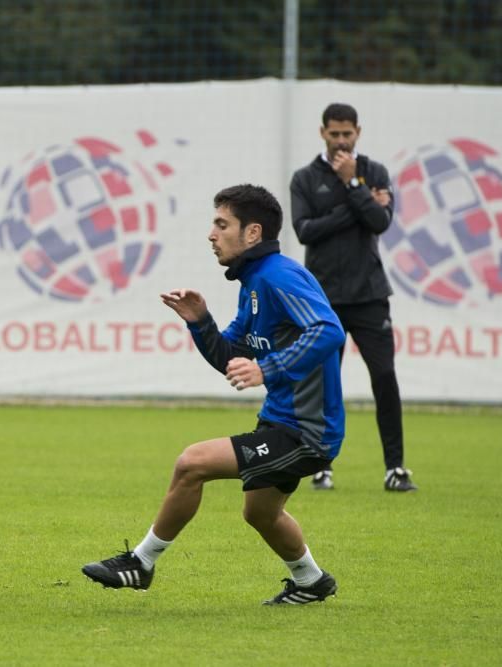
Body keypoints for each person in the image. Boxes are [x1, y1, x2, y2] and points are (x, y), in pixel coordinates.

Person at [82, 184, 346, 605]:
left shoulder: (280, 276)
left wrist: (267, 368)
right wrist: (201, 322)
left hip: (307, 432)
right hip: (280, 421)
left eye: (222, 224)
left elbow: (328, 330)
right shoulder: (255, 283)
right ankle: (312, 582)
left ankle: (142, 562)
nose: (211, 234)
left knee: (192, 463)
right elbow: (230, 355)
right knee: (260, 513)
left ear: (253, 233)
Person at [290, 102, 417, 492]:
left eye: (347, 134)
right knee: (323, 383)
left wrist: (354, 184)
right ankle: (319, 465)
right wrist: (357, 202)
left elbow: (380, 222)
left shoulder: (374, 172)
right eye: (334, 133)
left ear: (358, 132)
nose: (341, 140)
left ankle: (395, 469)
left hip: (370, 296)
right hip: (322, 300)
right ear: (322, 133)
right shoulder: (305, 179)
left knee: (384, 377)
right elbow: (305, 231)